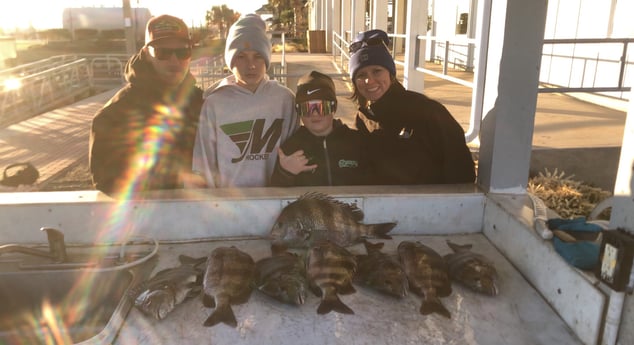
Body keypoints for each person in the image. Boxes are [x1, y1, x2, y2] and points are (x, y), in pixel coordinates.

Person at [89, 14, 203, 196]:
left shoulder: (202, 103)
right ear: (146, 54)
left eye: (183, 52)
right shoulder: (115, 114)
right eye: (162, 52)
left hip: (199, 216)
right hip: (146, 218)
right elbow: (106, 179)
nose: (174, 60)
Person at [348, 29, 476, 185]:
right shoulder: (363, 119)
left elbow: (462, 171)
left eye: (377, 71)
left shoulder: (428, 112)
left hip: (430, 206)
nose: (370, 81)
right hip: (382, 206)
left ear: (391, 74)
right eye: (361, 75)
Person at [191, 14, 298, 188]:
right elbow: (204, 163)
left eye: (258, 56)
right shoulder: (214, 103)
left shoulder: (284, 99)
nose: (251, 65)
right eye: (241, 56)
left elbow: (295, 152)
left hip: (277, 200)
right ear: (230, 61)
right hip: (230, 205)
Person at [270, 71, 370, 186]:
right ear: (298, 112)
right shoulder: (291, 148)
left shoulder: (357, 142)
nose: (315, 114)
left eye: (322, 107)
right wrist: (285, 173)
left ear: (334, 107)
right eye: (306, 108)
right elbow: (277, 196)